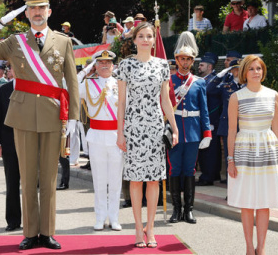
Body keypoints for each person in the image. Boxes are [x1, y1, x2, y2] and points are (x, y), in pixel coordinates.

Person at [0, 0, 79, 250]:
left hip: (53, 115)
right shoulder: (16, 41)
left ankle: (48, 232)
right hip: (22, 116)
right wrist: (0, 24)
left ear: (49, 12)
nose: (37, 12)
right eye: (32, 8)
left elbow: (72, 81)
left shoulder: (63, 41)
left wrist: (75, 117)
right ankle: (30, 232)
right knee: (27, 177)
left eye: (42, 8)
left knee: (49, 179)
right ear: (26, 13)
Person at [116, 23, 178, 248]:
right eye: (140, 36)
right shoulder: (125, 65)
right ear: (134, 40)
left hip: (154, 128)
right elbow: (121, 101)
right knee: (135, 180)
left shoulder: (162, 65)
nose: (144, 39)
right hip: (133, 128)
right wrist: (120, 132)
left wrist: (174, 126)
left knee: (153, 180)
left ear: (154, 40)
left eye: (149, 36)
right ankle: (137, 227)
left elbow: (166, 100)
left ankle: (150, 228)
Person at [227, 55, 278, 255]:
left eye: (259, 68)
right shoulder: (236, 97)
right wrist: (230, 160)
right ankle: (249, 248)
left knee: (264, 203)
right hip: (244, 151)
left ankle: (261, 249)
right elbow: (231, 131)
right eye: (252, 69)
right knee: (247, 204)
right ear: (245, 73)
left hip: (268, 151)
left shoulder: (273, 95)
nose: (257, 72)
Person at [168, 31, 212, 224]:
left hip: (193, 132)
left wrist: (207, 132)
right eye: (182, 59)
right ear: (177, 60)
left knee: (190, 170)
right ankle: (176, 210)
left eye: (188, 59)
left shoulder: (199, 83)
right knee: (174, 169)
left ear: (192, 61)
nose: (185, 63)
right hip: (176, 132)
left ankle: (189, 210)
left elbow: (204, 109)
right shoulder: (169, 81)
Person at [79, 50, 125, 231]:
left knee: (115, 180)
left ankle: (114, 217)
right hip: (97, 135)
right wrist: (86, 69)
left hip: (116, 135)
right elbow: (70, 85)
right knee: (99, 180)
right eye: (100, 62)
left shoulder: (120, 83)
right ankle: (100, 217)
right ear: (96, 66)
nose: (105, 65)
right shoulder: (88, 84)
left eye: (108, 62)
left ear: (113, 65)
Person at [0, 67, 22, 232]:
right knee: (12, 183)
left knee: (31, 184)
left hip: (30, 142)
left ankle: (34, 222)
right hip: (9, 142)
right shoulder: (2, 89)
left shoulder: (32, 86)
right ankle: (13, 220)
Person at [207, 59, 243, 183]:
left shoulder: (249, 86)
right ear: (232, 71)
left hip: (245, 126)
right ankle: (231, 189)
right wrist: (220, 75)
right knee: (230, 158)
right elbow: (209, 89)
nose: (238, 72)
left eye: (240, 69)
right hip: (228, 127)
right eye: (235, 69)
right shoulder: (226, 85)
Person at [197, 55, 222, 186]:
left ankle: (208, 176)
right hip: (204, 121)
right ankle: (211, 174)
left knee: (209, 151)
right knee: (206, 150)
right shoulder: (204, 80)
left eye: (202, 65)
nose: (199, 67)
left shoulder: (214, 80)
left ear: (210, 67)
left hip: (211, 121)